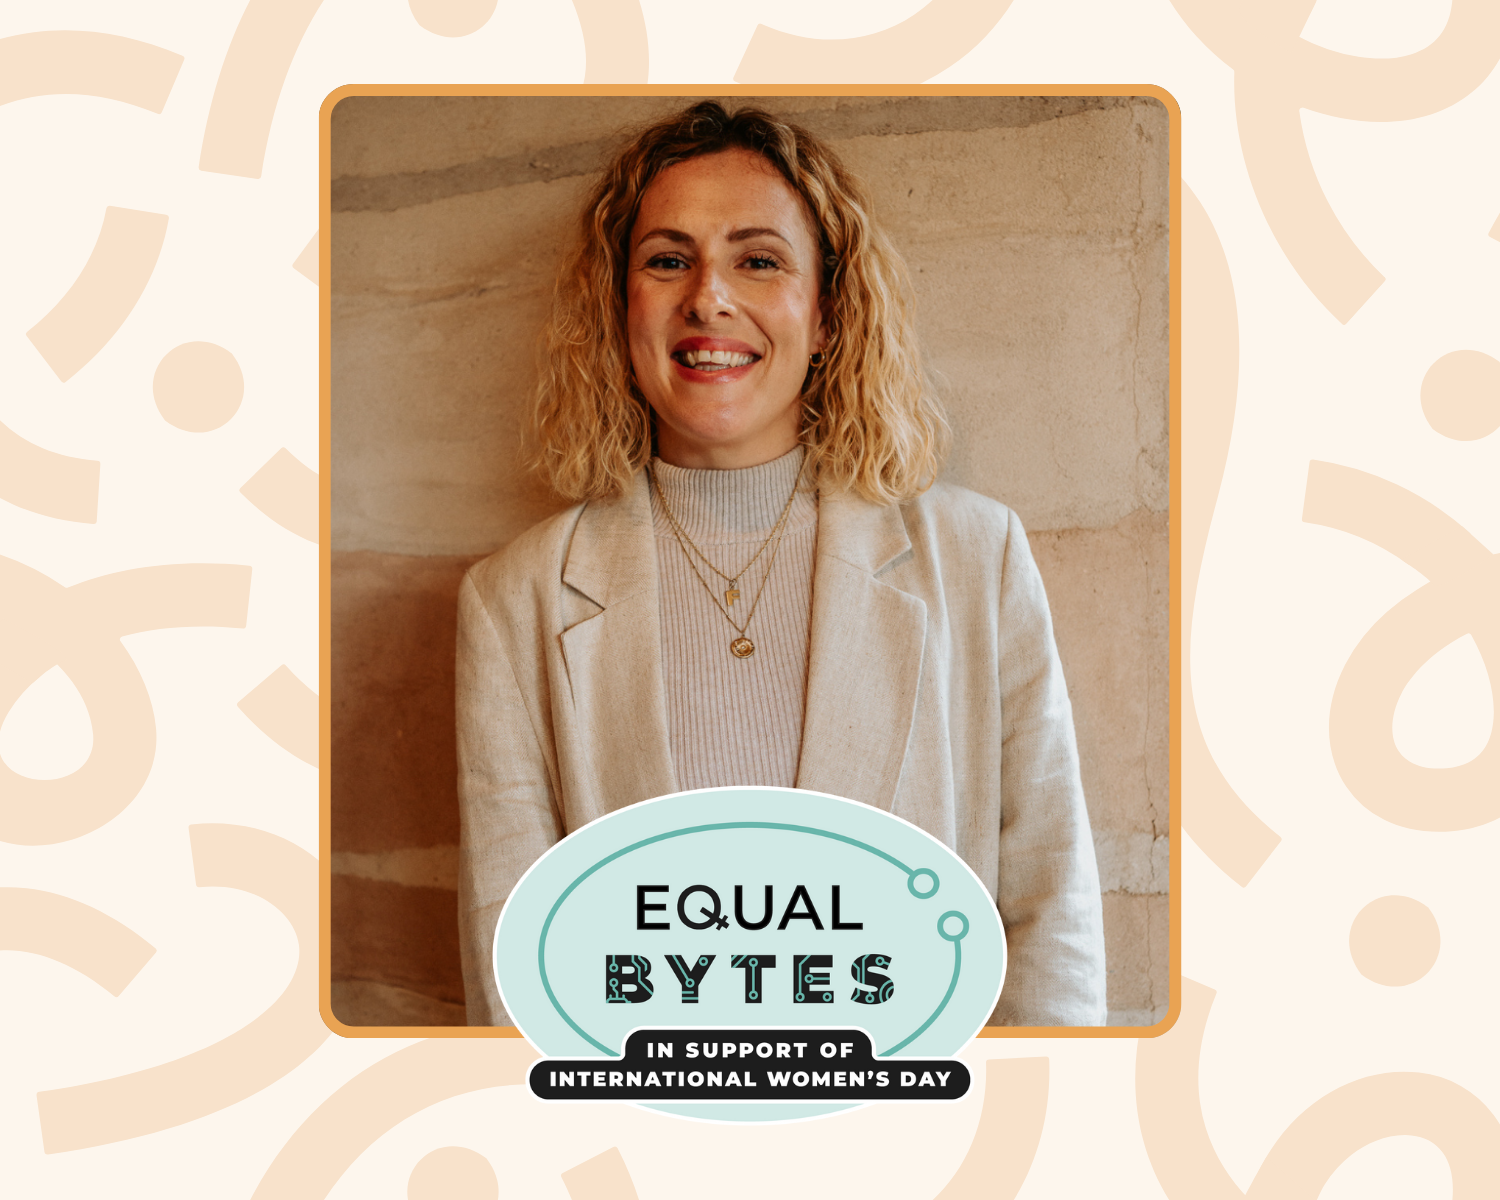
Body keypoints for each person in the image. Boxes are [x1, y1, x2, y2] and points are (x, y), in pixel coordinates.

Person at [456, 100, 1105, 1027]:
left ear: (828, 312)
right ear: (619, 309)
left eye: (758, 260)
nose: (708, 298)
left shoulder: (977, 558)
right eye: (667, 260)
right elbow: (515, 961)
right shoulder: (511, 600)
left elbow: (1051, 910)